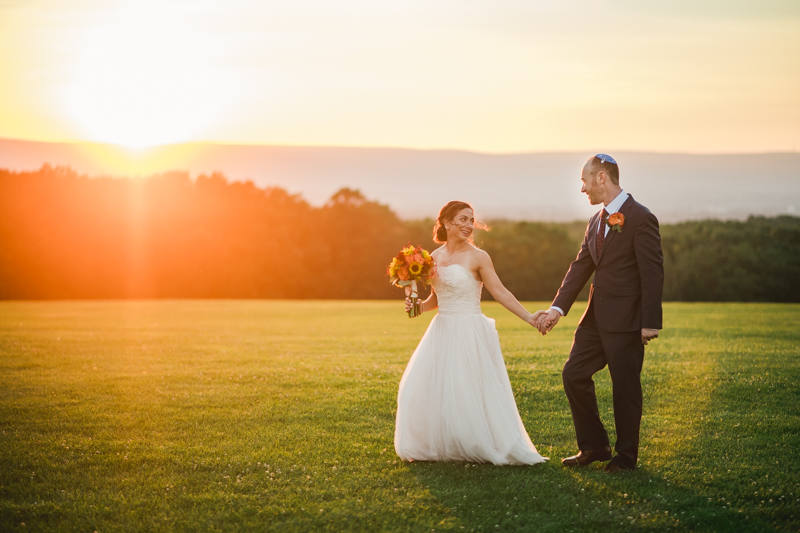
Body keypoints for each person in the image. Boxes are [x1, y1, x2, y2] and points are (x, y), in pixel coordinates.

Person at [535, 154, 664, 472]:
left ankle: (626, 457)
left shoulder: (641, 217)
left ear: (602, 178)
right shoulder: (596, 221)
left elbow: (652, 272)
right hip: (594, 319)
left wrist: (649, 321)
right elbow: (580, 267)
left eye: (584, 180)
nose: (582, 189)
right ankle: (594, 446)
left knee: (625, 388)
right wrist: (557, 309)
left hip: (627, 320)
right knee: (573, 374)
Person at [394, 201, 548, 465]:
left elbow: (500, 292)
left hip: (469, 330)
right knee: (428, 387)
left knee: (466, 388)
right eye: (462, 220)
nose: (469, 225)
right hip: (442, 329)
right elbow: (436, 298)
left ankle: (479, 442)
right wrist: (417, 306)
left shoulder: (479, 257)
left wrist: (530, 318)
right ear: (446, 223)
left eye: (471, 220)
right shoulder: (434, 257)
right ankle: (443, 443)